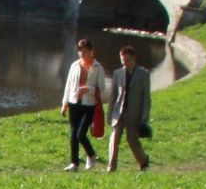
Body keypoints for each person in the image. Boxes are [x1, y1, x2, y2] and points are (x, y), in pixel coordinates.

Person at [106, 44, 153, 173]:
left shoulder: (144, 74)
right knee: (114, 138)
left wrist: (145, 115)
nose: (125, 63)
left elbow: (146, 98)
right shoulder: (117, 73)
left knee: (132, 140)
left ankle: (143, 160)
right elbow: (113, 95)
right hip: (118, 113)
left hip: (134, 114)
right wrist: (109, 114)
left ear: (133, 58)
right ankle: (111, 168)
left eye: (127, 60)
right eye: (122, 60)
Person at [61, 40, 103, 171]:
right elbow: (68, 85)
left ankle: (91, 154)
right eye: (80, 51)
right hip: (74, 102)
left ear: (91, 51)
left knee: (80, 134)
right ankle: (74, 163)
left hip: (89, 105)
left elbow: (102, 87)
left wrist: (88, 89)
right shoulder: (74, 65)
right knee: (73, 134)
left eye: (84, 51)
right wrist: (65, 103)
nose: (82, 54)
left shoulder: (97, 67)